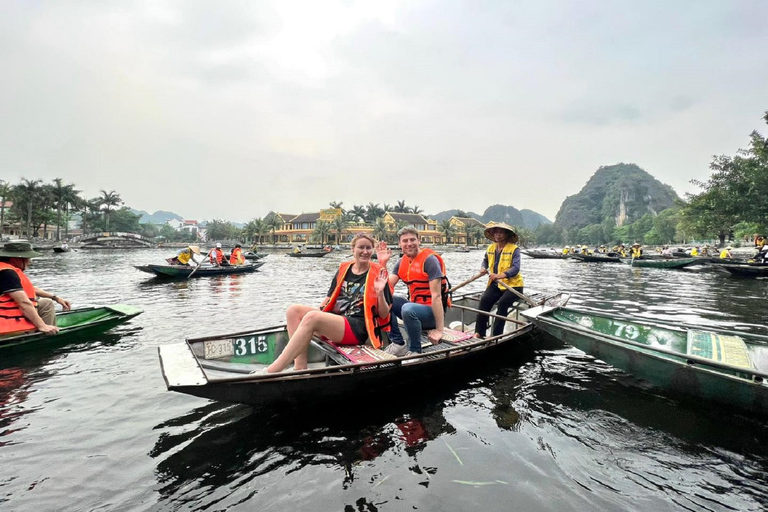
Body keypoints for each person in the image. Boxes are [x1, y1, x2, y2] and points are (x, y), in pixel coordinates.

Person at [264, 234, 391, 373]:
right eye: (361, 247)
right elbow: (330, 297)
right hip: (336, 320)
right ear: (353, 249)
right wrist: (313, 314)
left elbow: (384, 313)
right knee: (293, 311)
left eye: (368, 248)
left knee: (313, 317)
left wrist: (379, 293)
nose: (365, 251)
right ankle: (300, 366)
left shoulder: (379, 273)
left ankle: (273, 370)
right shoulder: (344, 269)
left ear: (372, 250)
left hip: (357, 327)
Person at [377, 226, 450, 355]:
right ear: (399, 244)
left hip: (432, 313)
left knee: (408, 309)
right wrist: (383, 263)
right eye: (405, 241)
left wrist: (439, 330)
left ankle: (415, 350)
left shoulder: (430, 261)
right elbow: (386, 288)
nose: (409, 244)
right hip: (414, 308)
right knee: (386, 300)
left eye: (412, 240)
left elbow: (437, 297)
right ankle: (398, 343)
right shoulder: (401, 263)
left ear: (419, 241)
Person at [0, 241, 72, 335]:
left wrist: (55, 297)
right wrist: (42, 325)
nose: (29, 262)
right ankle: (45, 336)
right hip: (5, 324)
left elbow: (28, 289)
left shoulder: (4, 269)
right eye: (27, 259)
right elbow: (23, 303)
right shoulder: (7, 273)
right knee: (45, 304)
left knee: (46, 303)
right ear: (15, 259)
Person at [474, 222, 524, 339]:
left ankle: (496, 335)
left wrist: (500, 275)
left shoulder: (514, 249)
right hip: (496, 284)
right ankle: (479, 332)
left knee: (502, 304)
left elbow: (516, 268)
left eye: (501, 232)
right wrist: (483, 268)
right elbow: (485, 260)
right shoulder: (491, 248)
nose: (498, 234)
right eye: (496, 232)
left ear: (507, 234)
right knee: (484, 300)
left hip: (513, 286)